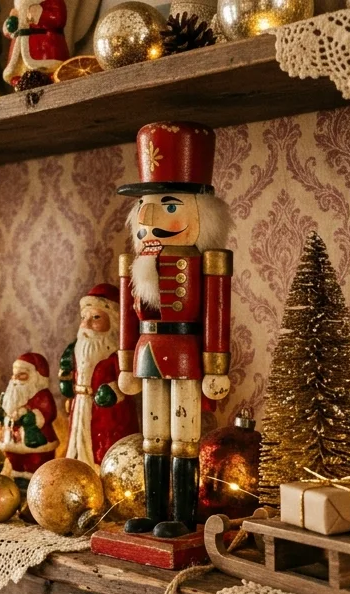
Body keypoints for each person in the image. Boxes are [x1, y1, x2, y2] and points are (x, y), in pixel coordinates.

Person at [116, 122, 234, 538]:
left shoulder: (208, 262)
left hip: (186, 353)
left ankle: (181, 516)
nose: (148, 216)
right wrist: (124, 364)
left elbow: (217, 314)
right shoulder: (135, 263)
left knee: (184, 437)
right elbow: (129, 318)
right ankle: (154, 511)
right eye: (146, 206)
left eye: (168, 206)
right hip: (147, 351)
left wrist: (217, 365)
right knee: (152, 437)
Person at [60, 284, 140, 467]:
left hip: (110, 412)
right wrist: (66, 383)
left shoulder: (116, 354)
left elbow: (127, 381)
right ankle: (77, 465)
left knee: (106, 445)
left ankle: (106, 470)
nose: (85, 324)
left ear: (113, 321)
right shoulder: (76, 349)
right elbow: (67, 368)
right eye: (83, 317)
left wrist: (113, 392)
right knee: (77, 440)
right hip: (80, 405)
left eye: (95, 317)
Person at [0, 353, 60, 479]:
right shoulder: (9, 394)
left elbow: (48, 413)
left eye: (22, 375)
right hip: (11, 439)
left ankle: (35, 480)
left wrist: (31, 418)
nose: (15, 378)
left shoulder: (42, 395)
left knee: (36, 462)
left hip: (37, 440)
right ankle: (17, 477)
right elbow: (3, 409)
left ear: (35, 377)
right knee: (14, 461)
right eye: (14, 374)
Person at [1, 0, 68, 85]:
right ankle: (20, 82)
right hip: (18, 51)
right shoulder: (17, 8)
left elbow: (58, 19)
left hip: (45, 50)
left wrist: (38, 14)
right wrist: (11, 22)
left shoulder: (53, 2)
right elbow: (10, 32)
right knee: (16, 74)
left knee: (49, 72)